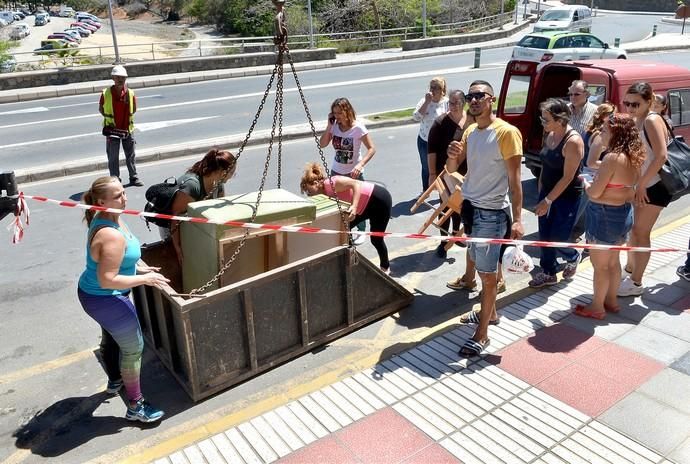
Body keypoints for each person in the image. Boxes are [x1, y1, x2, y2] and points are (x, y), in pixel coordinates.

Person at [78, 176, 169, 422]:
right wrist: (145, 280)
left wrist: (140, 270)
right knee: (133, 348)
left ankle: (115, 381)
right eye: (118, 195)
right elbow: (108, 279)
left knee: (111, 337)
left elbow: (119, 262)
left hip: (95, 294)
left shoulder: (106, 217)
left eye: (123, 192)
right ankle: (136, 406)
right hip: (106, 297)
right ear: (101, 201)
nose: (124, 197)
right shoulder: (110, 234)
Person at [446, 80, 524, 357]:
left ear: (492, 99)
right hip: (471, 207)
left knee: (488, 276)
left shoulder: (506, 132)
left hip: (492, 214)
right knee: (481, 266)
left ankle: (482, 334)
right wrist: (452, 156)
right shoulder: (470, 131)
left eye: (480, 95)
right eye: (471, 96)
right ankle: (489, 314)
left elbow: (516, 181)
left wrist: (517, 219)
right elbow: (452, 167)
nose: (474, 100)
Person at [575, 114, 642, 319]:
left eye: (604, 130)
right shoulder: (635, 156)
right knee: (613, 262)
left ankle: (597, 306)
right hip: (623, 213)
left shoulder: (612, 157)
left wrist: (587, 183)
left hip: (603, 215)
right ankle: (611, 300)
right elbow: (628, 190)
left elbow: (594, 193)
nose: (600, 133)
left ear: (616, 133)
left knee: (601, 266)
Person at [619, 82, 671, 297]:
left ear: (649, 102)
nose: (630, 108)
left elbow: (661, 155)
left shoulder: (651, 120)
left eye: (635, 104)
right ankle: (630, 269)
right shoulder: (636, 119)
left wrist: (641, 184)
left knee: (641, 232)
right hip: (641, 185)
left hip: (654, 187)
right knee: (633, 231)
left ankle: (636, 282)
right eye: (626, 103)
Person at [529, 99, 584, 288]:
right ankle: (548, 272)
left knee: (557, 239)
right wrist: (541, 190)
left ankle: (573, 256)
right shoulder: (549, 134)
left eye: (546, 119)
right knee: (544, 235)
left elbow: (568, 177)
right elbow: (545, 164)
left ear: (560, 120)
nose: (542, 123)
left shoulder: (573, 142)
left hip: (565, 197)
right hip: (546, 192)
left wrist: (548, 200)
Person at [300, 163, 392, 274]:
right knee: (343, 233)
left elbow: (356, 184)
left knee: (376, 239)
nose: (309, 195)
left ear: (315, 184)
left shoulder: (331, 183)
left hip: (379, 200)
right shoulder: (323, 194)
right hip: (363, 206)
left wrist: (354, 206)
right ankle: (351, 264)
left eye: (309, 192)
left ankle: (385, 268)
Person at [160, 148, 237, 263]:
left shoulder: (218, 184)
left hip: (194, 228)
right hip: (174, 231)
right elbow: (175, 219)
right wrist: (178, 249)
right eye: (232, 172)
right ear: (221, 171)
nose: (232, 176)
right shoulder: (192, 186)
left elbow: (220, 211)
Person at [320, 97, 376, 245]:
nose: (337, 116)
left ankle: (361, 230)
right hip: (337, 172)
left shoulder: (358, 128)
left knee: (359, 203)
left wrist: (360, 164)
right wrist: (328, 126)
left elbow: (372, 149)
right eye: (334, 113)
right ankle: (343, 230)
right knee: (337, 202)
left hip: (354, 173)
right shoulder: (334, 126)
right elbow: (323, 144)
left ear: (347, 111)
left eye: (339, 113)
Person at [426, 89, 471, 259]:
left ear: (463, 103)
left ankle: (456, 235)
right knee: (445, 207)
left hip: (465, 173)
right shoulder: (440, 123)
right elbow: (431, 151)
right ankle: (444, 242)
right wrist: (432, 174)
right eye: (450, 103)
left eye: (456, 103)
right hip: (444, 173)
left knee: (460, 206)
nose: (452, 106)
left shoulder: (471, 120)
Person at [99, 65, 142, 187]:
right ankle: (115, 180)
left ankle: (134, 178)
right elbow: (101, 109)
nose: (120, 79)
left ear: (126, 78)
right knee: (113, 157)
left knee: (130, 156)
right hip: (112, 130)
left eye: (122, 77)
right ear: (113, 78)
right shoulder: (106, 93)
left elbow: (134, 110)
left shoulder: (130, 93)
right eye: (117, 77)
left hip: (127, 130)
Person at [413, 77, 449, 193]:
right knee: (426, 167)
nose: (433, 90)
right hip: (425, 140)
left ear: (442, 90)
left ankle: (443, 191)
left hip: (441, 142)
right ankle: (426, 190)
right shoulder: (424, 101)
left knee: (442, 167)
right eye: (431, 87)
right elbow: (416, 117)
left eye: (437, 88)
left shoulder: (447, 103)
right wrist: (427, 102)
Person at [585, 103, 617, 170]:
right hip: (591, 173)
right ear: (606, 116)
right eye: (612, 115)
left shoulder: (591, 130)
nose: (614, 118)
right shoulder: (600, 135)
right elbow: (591, 163)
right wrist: (616, 165)